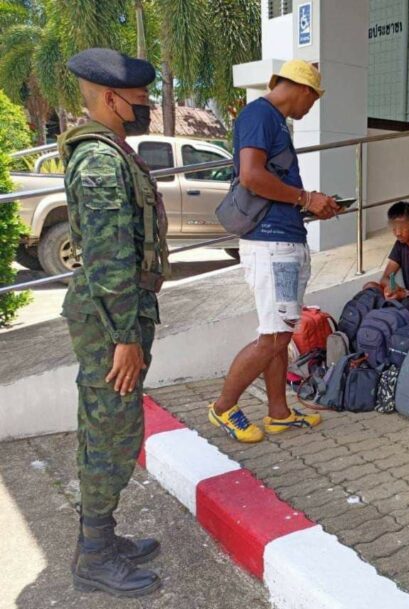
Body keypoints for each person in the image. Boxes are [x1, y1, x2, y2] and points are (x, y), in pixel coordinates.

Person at [60, 48, 171, 597]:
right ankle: (96, 557)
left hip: (118, 312)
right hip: (112, 320)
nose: (145, 109)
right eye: (139, 101)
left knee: (109, 425)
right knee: (112, 431)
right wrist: (124, 338)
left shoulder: (113, 152)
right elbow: (107, 261)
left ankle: (99, 538)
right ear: (109, 98)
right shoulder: (101, 161)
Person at [209, 60, 341, 443]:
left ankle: (278, 412)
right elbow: (251, 176)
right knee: (272, 337)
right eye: (314, 100)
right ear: (304, 89)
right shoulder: (259, 115)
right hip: (271, 244)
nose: (311, 108)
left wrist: (312, 204)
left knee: (280, 334)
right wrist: (305, 197)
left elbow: (270, 181)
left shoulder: (273, 121)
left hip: (282, 238)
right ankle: (223, 407)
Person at [373, 201, 409, 300]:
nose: (398, 233)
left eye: (402, 227)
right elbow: (386, 277)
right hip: (407, 296)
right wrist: (393, 286)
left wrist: (404, 294)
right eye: (394, 228)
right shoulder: (400, 244)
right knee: (370, 286)